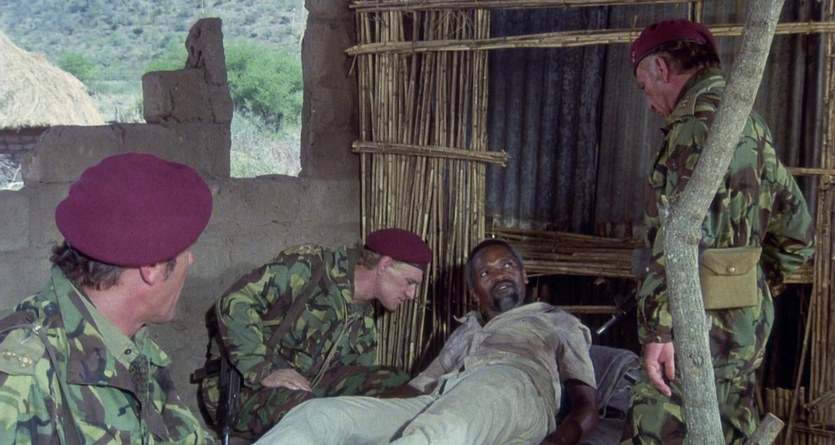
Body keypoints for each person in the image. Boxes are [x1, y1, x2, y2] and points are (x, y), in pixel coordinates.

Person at [622, 19, 816, 444]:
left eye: (644, 86)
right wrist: (744, 285)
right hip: (744, 331)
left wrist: (660, 331)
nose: (649, 104)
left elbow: (677, 241)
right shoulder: (751, 123)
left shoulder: (693, 126)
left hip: (692, 335)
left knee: (654, 430)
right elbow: (798, 234)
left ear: (661, 68)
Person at [253, 238, 599, 445]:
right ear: (474, 292)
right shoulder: (466, 331)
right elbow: (417, 388)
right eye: (485, 272)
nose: (499, 274)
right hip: (442, 398)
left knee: (436, 432)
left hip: (512, 389)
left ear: (524, 276)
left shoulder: (555, 320)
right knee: (319, 416)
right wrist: (365, 411)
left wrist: (558, 440)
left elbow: (586, 404)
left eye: (507, 265)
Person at [0, 153, 215, 444]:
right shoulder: (22, 380)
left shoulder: (129, 344)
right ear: (151, 266)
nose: (191, 260)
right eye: (185, 250)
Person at [215, 227, 432, 437]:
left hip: (308, 397)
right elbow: (236, 301)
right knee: (311, 415)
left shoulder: (364, 325)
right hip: (246, 391)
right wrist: (263, 370)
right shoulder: (311, 268)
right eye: (409, 282)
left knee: (396, 383)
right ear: (384, 265)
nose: (412, 295)